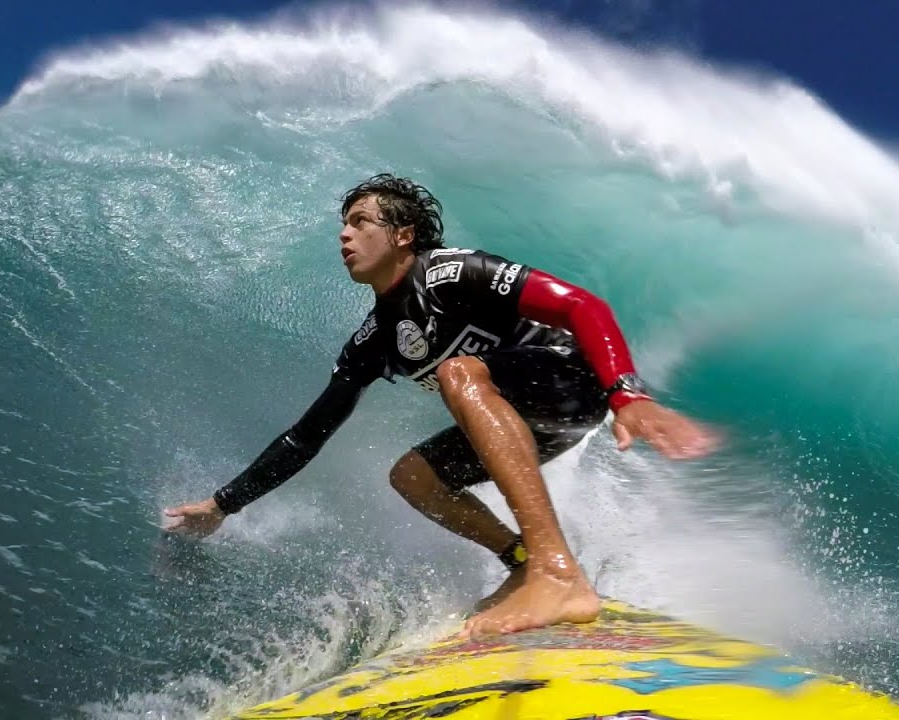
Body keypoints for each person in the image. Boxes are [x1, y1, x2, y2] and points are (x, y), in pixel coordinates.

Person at [162, 174, 719, 638]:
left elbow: (581, 306)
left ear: (403, 235)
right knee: (412, 476)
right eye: (344, 224)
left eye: (360, 221)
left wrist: (626, 393)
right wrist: (223, 505)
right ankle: (522, 562)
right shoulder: (374, 340)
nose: (345, 234)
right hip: (533, 425)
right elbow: (307, 436)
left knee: (458, 371)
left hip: (571, 379)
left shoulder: (450, 272)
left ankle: (558, 573)